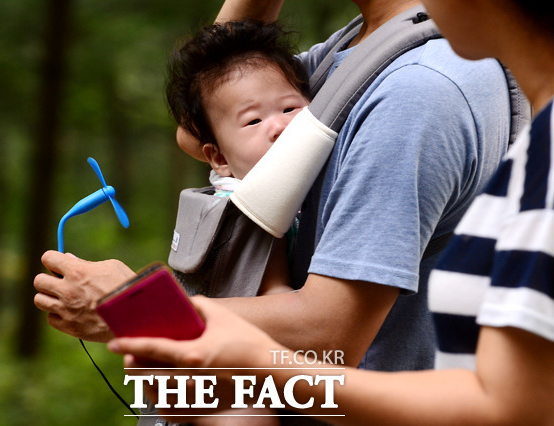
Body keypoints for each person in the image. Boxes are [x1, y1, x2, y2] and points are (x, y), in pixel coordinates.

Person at [107, 0, 554, 423]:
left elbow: (510, 406)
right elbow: (201, 118)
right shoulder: (355, 49)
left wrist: (150, 313)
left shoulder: (419, 85)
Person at [165, 19, 311, 298]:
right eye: (253, 121)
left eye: (289, 107)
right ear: (220, 159)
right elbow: (274, 292)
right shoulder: (247, 208)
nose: (279, 126)